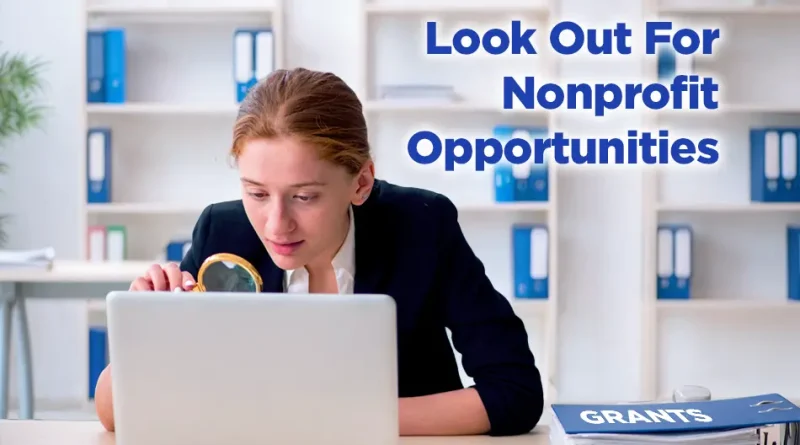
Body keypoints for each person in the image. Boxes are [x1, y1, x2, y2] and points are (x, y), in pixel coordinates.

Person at [94, 67, 545, 436]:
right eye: (257, 193)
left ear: (361, 183)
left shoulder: (422, 226)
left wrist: (341, 420)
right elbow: (115, 415)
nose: (276, 224)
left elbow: (515, 392)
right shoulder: (223, 234)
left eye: (305, 196)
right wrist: (151, 332)